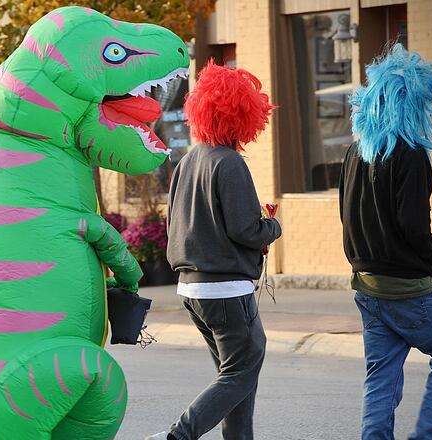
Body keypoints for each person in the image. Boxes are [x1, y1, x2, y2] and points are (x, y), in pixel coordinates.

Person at [339, 44, 432, 440]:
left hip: (365, 282)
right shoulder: (410, 155)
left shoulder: (354, 152)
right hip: (406, 285)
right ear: (411, 103)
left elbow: (345, 216)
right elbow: (414, 225)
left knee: (381, 372)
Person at [146, 61, 280, 440]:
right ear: (243, 116)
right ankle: (178, 435)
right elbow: (245, 229)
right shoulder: (229, 162)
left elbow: (176, 225)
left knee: (236, 376)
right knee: (240, 372)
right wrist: (273, 227)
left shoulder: (188, 160)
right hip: (225, 289)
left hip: (191, 287)